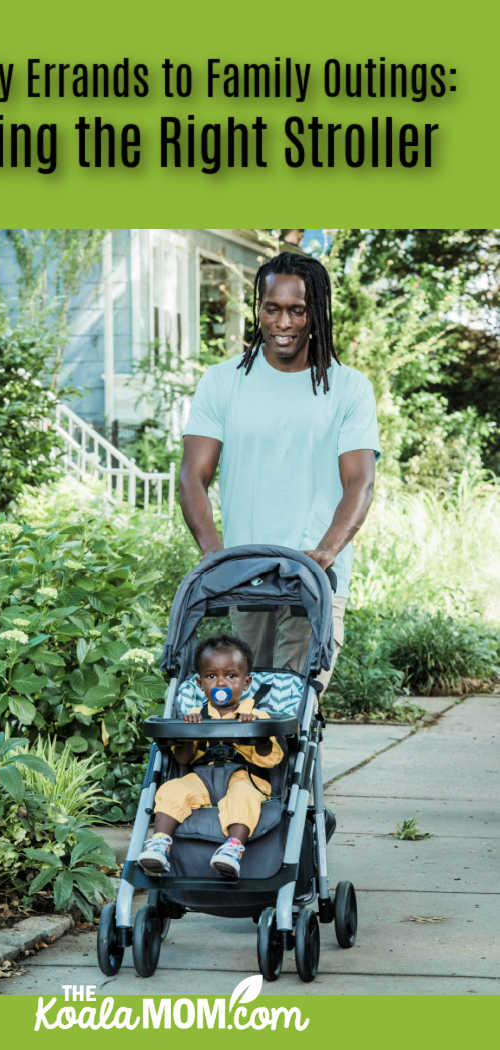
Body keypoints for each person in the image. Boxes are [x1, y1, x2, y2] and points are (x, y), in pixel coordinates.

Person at [178, 251, 380, 692]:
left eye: (296, 310)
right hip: (243, 582)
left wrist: (326, 552)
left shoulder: (348, 388)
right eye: (272, 309)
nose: (283, 322)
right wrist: (213, 555)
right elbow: (193, 475)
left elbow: (359, 482)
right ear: (259, 309)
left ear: (315, 313)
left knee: (296, 712)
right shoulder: (222, 382)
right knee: (237, 709)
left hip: (313, 582)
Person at [138, 635, 284, 879]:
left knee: (244, 796)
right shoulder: (194, 715)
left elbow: (270, 758)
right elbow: (183, 760)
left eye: (231, 676)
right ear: (199, 683)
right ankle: (160, 843)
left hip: (244, 776)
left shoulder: (256, 716)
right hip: (203, 778)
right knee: (173, 789)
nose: (221, 683)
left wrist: (255, 734)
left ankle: (232, 848)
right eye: (211, 676)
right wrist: (186, 734)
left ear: (246, 682)